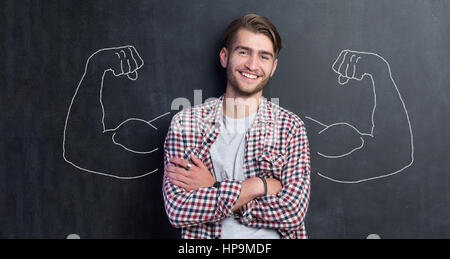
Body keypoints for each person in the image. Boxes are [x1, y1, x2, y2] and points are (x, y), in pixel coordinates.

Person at [162, 14, 311, 239]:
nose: (252, 65)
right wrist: (256, 186)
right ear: (225, 56)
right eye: (243, 52)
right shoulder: (187, 124)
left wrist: (213, 186)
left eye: (264, 56)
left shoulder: (290, 127)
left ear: (273, 67)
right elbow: (179, 209)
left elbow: (293, 212)